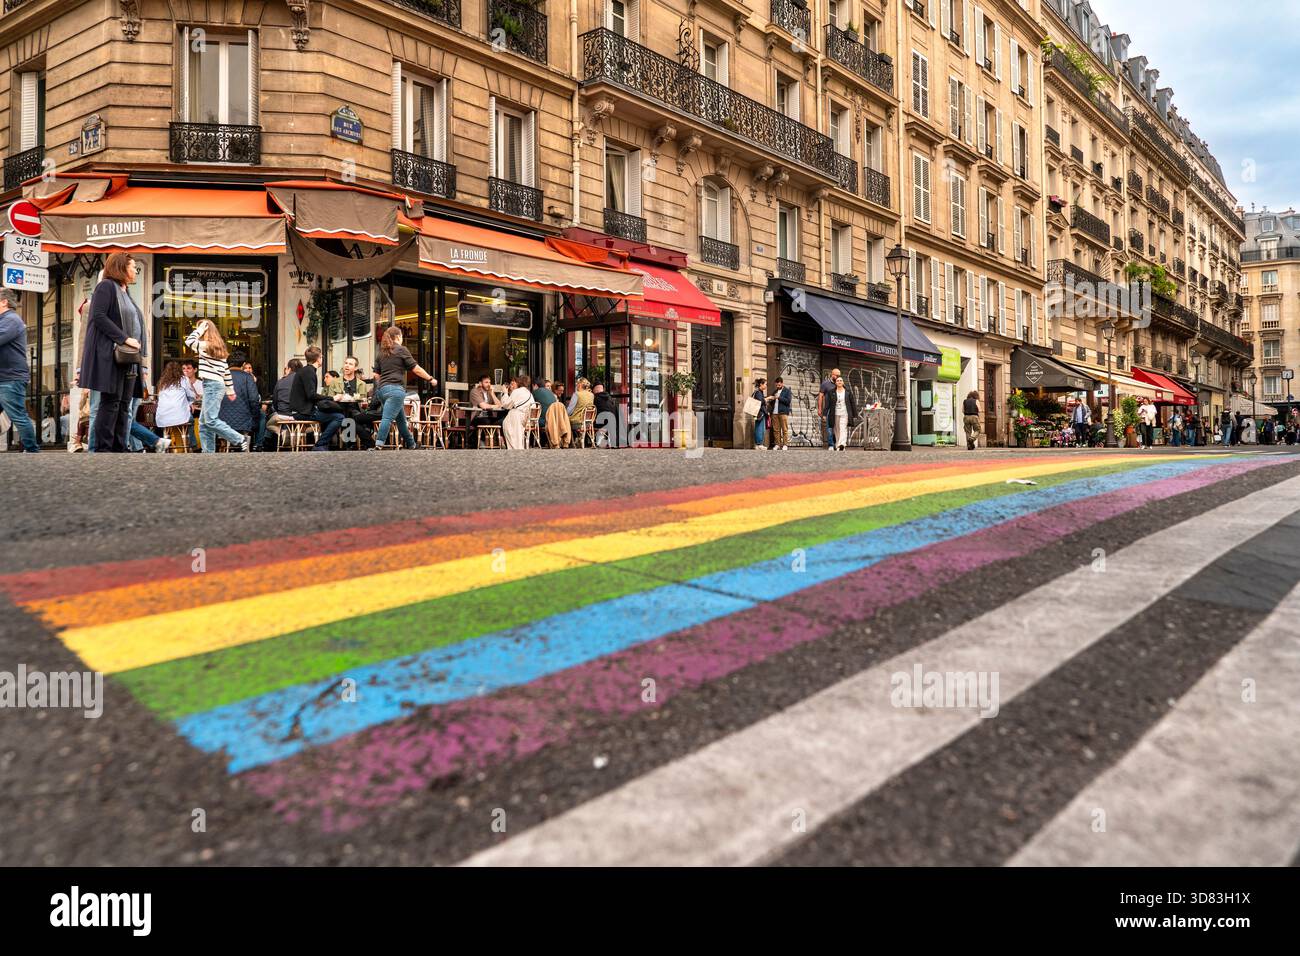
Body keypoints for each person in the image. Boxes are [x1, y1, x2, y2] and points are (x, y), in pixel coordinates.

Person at [82, 253, 146, 452]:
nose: (135, 271)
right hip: (112, 354)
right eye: (133, 266)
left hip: (129, 357)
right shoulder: (106, 286)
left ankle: (119, 447)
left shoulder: (125, 292)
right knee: (111, 402)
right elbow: (98, 316)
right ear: (121, 267)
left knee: (124, 404)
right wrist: (125, 339)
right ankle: (103, 448)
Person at [184, 320, 249, 453]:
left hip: (212, 385)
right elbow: (226, 371)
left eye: (201, 329)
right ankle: (208, 454)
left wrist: (200, 329)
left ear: (205, 330)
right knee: (203, 423)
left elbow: (189, 341)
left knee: (210, 420)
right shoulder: (218, 348)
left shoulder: (206, 345)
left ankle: (239, 439)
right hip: (215, 385)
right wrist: (230, 390)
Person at [371, 326, 437, 450]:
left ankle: (411, 444)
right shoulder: (401, 350)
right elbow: (416, 369)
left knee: (401, 419)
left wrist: (384, 386)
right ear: (398, 336)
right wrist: (430, 379)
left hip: (382, 391)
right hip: (396, 390)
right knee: (387, 418)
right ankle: (379, 444)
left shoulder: (382, 352)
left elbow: (376, 375)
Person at [0, 288, 40, 452]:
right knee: (18, 415)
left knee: (18, 416)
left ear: (4, 302)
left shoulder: (11, 320)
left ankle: (32, 451)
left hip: (10, 378)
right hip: (4, 377)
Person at [290, 346, 344, 451]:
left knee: (331, 416)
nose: (322, 359)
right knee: (339, 417)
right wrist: (333, 398)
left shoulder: (306, 370)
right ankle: (320, 445)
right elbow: (311, 395)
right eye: (322, 357)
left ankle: (324, 444)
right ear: (318, 358)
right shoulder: (309, 372)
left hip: (301, 410)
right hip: (303, 412)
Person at [218, 348, 263, 446]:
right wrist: (255, 418)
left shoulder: (220, 377)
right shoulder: (247, 377)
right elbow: (254, 400)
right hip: (244, 421)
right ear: (243, 364)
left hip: (221, 421)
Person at [154, 360, 196, 442]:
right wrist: (190, 403)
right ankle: (192, 445)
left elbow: (160, 398)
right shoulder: (183, 379)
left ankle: (168, 445)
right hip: (181, 417)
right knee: (191, 420)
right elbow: (191, 395)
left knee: (168, 425)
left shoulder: (162, 382)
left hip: (162, 418)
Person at [501, 374, 537, 449]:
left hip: (517, 418)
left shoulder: (517, 391)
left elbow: (506, 405)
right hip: (527, 420)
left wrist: (505, 393)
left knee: (506, 424)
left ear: (519, 382)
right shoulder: (529, 393)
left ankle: (512, 448)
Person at [826, 375, 858, 451]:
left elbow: (852, 403)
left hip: (845, 413)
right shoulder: (831, 392)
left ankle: (842, 444)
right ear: (835, 383)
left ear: (843, 382)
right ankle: (837, 445)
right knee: (836, 429)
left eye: (840, 380)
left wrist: (855, 414)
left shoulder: (848, 392)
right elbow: (828, 404)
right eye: (838, 381)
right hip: (835, 413)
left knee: (843, 428)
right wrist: (825, 414)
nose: (839, 382)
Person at [817, 367, 842, 450]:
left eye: (839, 376)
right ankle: (831, 444)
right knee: (829, 428)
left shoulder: (840, 383)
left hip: (839, 409)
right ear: (832, 374)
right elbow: (820, 396)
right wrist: (820, 409)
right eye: (837, 375)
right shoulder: (825, 384)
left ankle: (837, 443)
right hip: (829, 410)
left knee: (838, 427)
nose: (838, 377)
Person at [594, 382, 620, 447]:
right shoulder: (609, 398)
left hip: (601, 423)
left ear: (595, 390)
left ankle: (599, 438)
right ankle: (609, 439)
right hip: (613, 423)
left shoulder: (596, 399)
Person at [770, 377, 792, 451]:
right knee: (776, 430)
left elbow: (788, 401)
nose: (778, 387)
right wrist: (771, 399)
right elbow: (772, 403)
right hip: (774, 413)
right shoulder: (775, 391)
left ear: (782, 383)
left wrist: (779, 397)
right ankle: (777, 444)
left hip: (783, 413)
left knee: (784, 429)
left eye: (779, 385)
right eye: (776, 385)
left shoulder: (787, 391)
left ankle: (785, 444)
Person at [750, 378, 768, 450]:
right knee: (760, 429)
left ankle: (758, 444)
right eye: (765, 384)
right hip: (760, 413)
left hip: (757, 413)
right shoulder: (758, 392)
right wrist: (766, 400)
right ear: (761, 384)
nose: (766, 386)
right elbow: (760, 403)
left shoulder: (758, 392)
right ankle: (759, 444)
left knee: (759, 428)